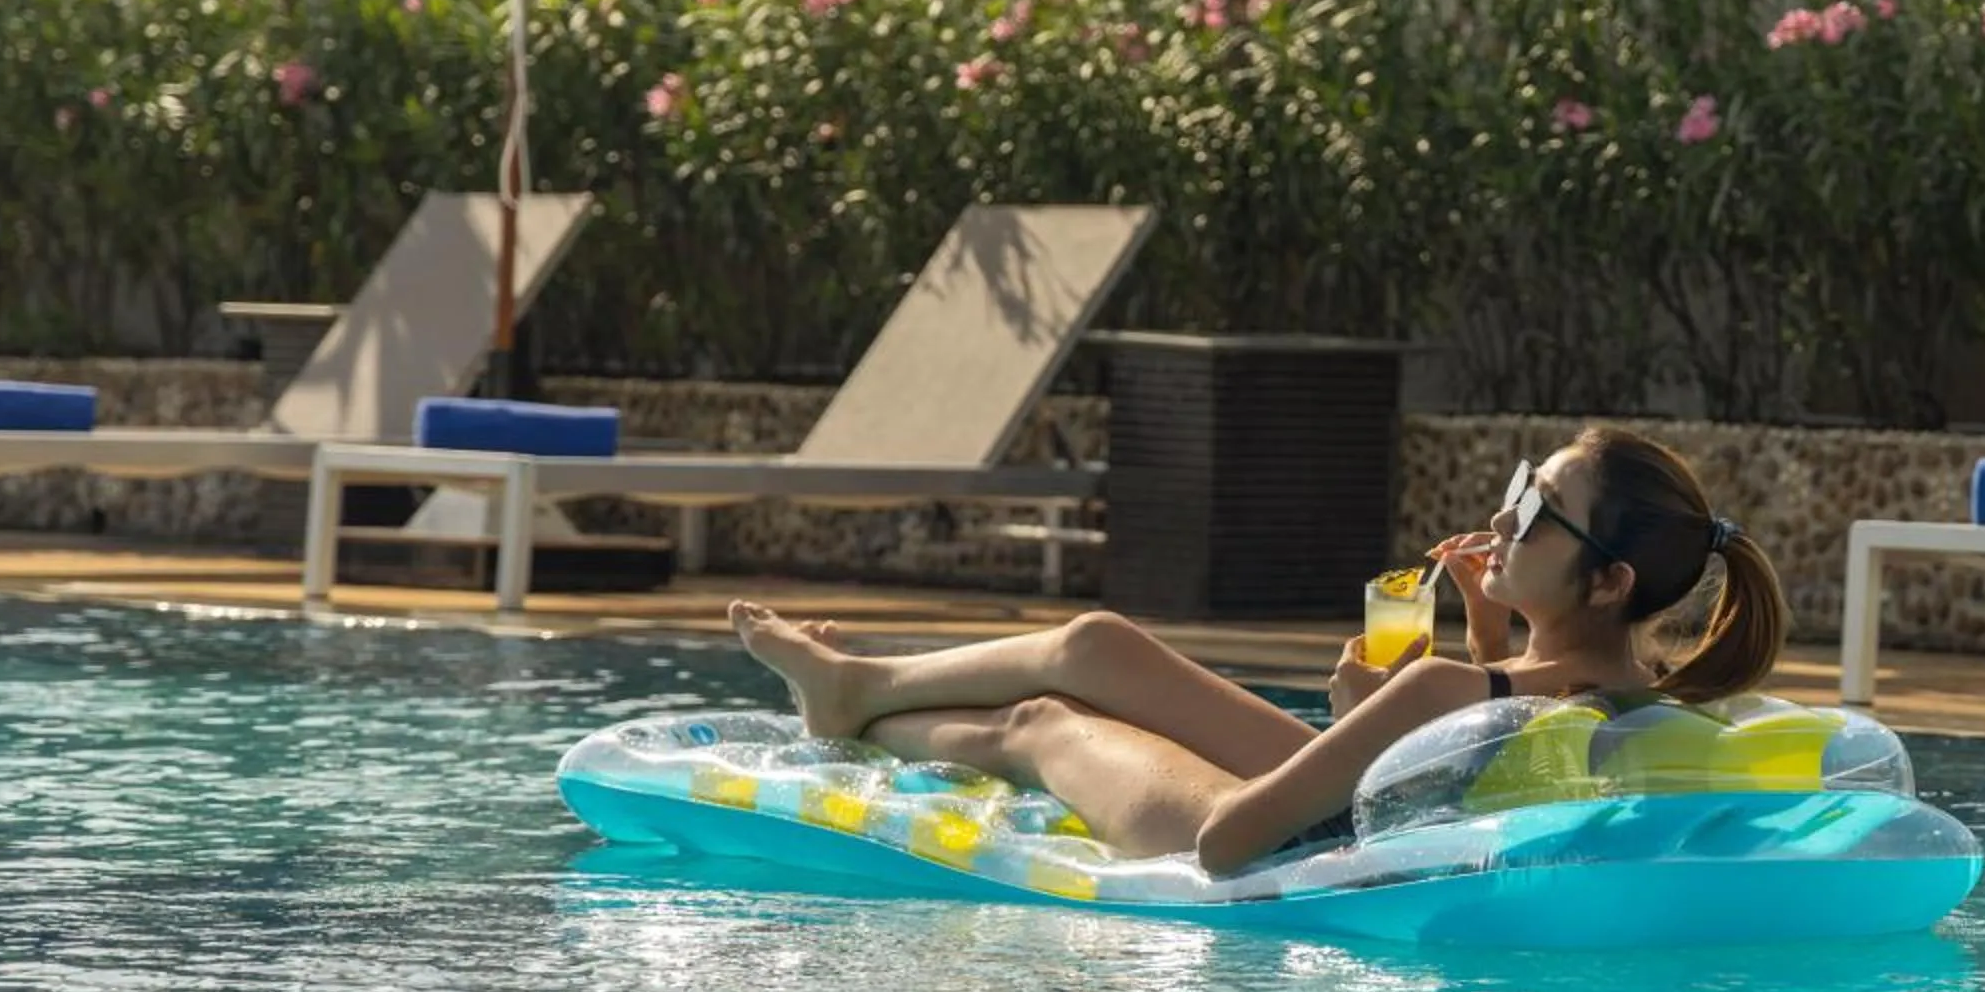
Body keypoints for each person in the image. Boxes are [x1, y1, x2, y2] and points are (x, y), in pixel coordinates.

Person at [727, 424, 1787, 875]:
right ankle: (858, 684)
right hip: (1366, 805)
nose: (1503, 520)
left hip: (1268, 842)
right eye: (1519, 486)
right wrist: (1474, 651)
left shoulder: (1462, 686)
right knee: (1097, 640)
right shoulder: (1624, 683)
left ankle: (853, 706)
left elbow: (1233, 842)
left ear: (1606, 580)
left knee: (1043, 722)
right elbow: (1507, 753)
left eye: (1539, 508)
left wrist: (1391, 710)